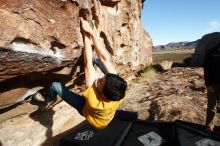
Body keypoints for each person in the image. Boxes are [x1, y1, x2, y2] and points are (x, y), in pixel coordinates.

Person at [33, 17, 127, 129]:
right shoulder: (119, 91)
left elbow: (87, 63)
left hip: (90, 113)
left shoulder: (93, 101)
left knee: (55, 86)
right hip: (106, 112)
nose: (100, 78)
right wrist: (92, 32)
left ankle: (48, 97)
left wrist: (86, 34)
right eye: (104, 78)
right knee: (99, 60)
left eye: (101, 82)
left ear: (102, 93)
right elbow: (105, 58)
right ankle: (98, 62)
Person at [204, 43, 220, 131]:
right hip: (214, 85)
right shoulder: (211, 52)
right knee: (212, 107)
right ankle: (209, 127)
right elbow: (207, 69)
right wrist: (208, 84)